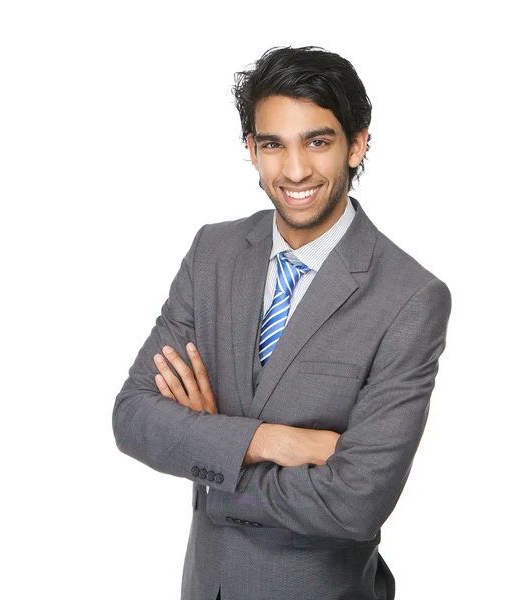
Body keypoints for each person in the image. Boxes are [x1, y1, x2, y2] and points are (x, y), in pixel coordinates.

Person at [112, 45, 452, 600]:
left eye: (317, 141)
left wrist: (212, 454)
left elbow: (355, 503)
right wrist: (277, 441)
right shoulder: (213, 253)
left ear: (357, 143)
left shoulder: (410, 298)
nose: (295, 170)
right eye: (274, 145)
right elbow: (132, 417)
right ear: (251, 149)